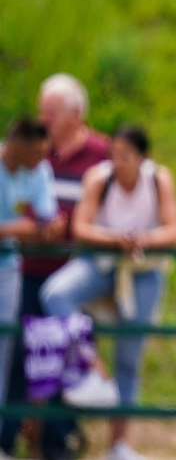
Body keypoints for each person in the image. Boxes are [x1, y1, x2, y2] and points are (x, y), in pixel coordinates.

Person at [40, 125, 176, 460]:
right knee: (55, 294)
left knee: (129, 359)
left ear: (142, 157)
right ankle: (93, 369)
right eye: (114, 155)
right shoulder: (98, 178)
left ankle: (117, 445)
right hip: (101, 262)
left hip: (143, 271)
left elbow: (174, 229)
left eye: (126, 156)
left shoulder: (159, 180)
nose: (118, 163)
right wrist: (118, 240)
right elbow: (81, 227)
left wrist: (140, 241)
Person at [2, 75, 108, 460]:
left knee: (65, 355)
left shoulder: (101, 155)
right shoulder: (32, 153)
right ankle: (6, 437)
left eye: (51, 112)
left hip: (72, 272)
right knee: (15, 354)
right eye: (41, 110)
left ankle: (58, 440)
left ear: (76, 115)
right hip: (24, 268)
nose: (43, 117)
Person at [0, 118, 63, 433]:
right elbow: (29, 227)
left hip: (8, 268)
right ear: (17, 145)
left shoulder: (37, 172)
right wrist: (21, 229)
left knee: (4, 351)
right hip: (11, 255)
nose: (43, 158)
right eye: (38, 151)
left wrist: (47, 230)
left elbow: (46, 222)